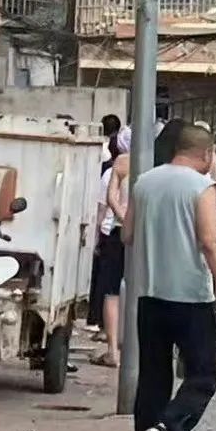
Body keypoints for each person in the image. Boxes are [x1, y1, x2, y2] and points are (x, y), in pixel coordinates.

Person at [123, 121, 216, 431]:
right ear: (206, 153)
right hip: (191, 296)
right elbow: (210, 241)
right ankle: (170, 428)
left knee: (154, 375)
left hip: (151, 293)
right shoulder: (201, 186)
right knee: (202, 375)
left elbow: (127, 234)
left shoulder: (144, 183)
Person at [91, 124, 131, 367]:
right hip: (147, 235)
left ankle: (112, 350)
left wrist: (123, 217)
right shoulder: (159, 164)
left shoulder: (122, 162)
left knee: (112, 291)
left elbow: (111, 198)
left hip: (118, 231)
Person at [87, 121, 122, 330]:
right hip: (120, 231)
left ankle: (99, 322)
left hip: (110, 231)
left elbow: (102, 206)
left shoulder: (110, 173)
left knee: (106, 284)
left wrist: (95, 237)